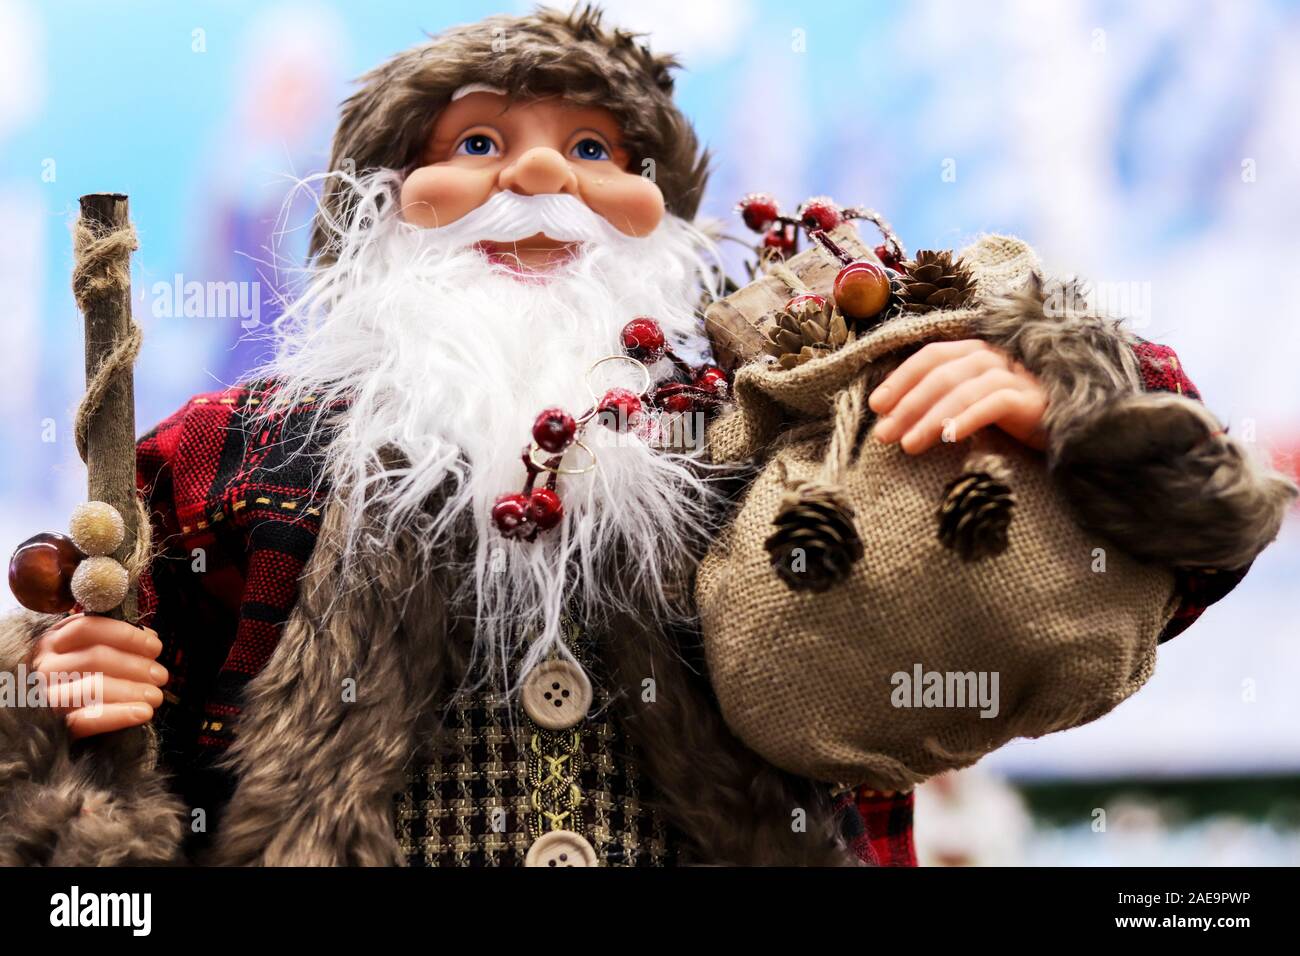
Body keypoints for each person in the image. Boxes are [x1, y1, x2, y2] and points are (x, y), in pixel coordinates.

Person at [0, 5, 1255, 867]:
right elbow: (79, 849)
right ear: (382, 208)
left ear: (662, 212)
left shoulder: (802, 417)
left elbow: (1180, 560)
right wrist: (63, 727)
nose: (541, 179)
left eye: (596, 148)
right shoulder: (236, 455)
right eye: (478, 142)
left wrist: (1068, 414)